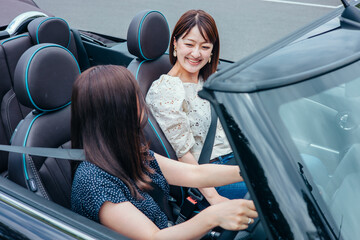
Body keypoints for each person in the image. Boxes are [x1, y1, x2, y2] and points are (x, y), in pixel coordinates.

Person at [71, 65, 257, 239]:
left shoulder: (131, 153)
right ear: (119, 111)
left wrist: (252, 172)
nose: (142, 100)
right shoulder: (92, 181)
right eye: (136, 95)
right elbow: (154, 237)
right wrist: (213, 216)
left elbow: (196, 174)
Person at [146, 9, 247, 203]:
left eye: (204, 46)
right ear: (175, 43)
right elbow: (183, 153)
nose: (196, 53)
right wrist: (212, 196)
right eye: (189, 44)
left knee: (310, 166)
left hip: (238, 157)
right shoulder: (166, 90)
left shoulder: (210, 79)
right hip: (211, 174)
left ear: (212, 50)